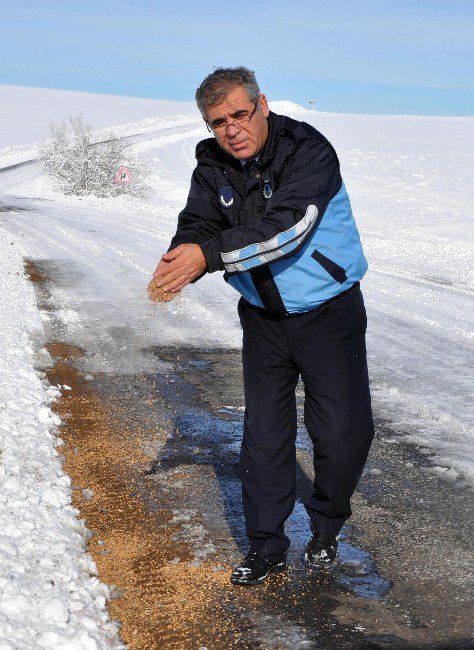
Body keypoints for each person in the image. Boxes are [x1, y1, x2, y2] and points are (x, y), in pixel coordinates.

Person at [150, 67, 375, 586]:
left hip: (329, 313)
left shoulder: (309, 152)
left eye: (238, 114)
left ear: (262, 106)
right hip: (264, 320)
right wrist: (180, 257)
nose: (230, 129)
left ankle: (325, 527)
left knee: (343, 435)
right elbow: (200, 222)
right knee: (264, 438)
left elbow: (287, 231)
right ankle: (265, 546)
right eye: (217, 122)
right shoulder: (212, 167)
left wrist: (206, 257)